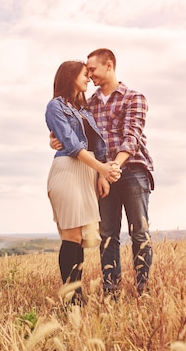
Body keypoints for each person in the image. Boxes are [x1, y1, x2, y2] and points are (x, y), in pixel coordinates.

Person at [51, 48, 154, 297]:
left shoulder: (134, 97)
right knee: (108, 233)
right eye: (86, 72)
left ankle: (142, 287)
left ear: (109, 65)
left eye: (93, 69)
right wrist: (54, 138)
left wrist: (114, 166)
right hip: (102, 174)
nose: (90, 75)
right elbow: (75, 131)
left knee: (139, 232)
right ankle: (111, 290)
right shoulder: (89, 103)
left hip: (132, 170)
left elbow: (132, 136)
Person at [45, 60, 121, 305]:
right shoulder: (55, 106)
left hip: (87, 172)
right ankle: (73, 297)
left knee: (79, 237)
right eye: (84, 74)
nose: (88, 78)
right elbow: (72, 144)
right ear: (70, 76)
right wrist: (103, 169)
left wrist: (101, 175)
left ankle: (78, 296)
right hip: (68, 169)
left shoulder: (84, 110)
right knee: (70, 235)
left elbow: (97, 146)